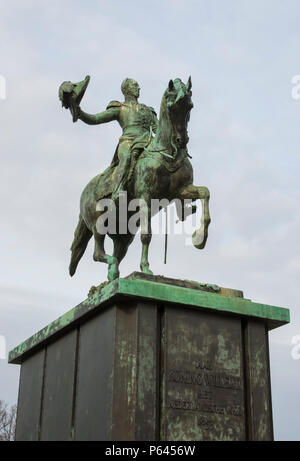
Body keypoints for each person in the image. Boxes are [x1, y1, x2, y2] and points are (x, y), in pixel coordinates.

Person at [77, 78, 158, 200]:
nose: (139, 88)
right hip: (128, 142)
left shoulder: (148, 110)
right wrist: (79, 112)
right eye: (135, 85)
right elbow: (94, 119)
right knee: (126, 158)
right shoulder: (120, 107)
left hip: (148, 142)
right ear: (126, 90)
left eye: (138, 86)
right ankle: (118, 190)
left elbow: (159, 129)